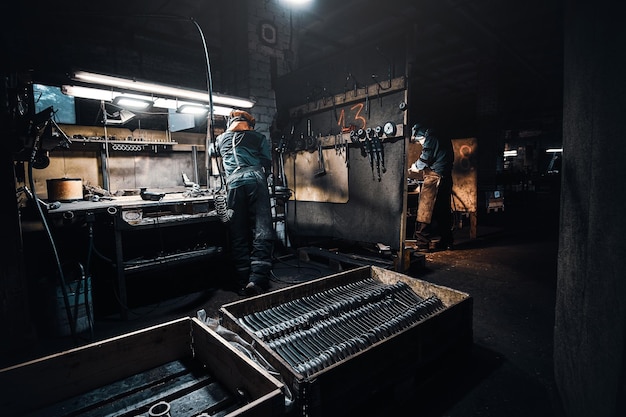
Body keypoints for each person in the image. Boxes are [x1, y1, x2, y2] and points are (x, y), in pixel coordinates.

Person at [215, 109, 273, 296]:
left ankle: (242, 279)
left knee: (238, 230)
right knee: (262, 229)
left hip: (233, 184)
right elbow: (266, 161)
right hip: (255, 180)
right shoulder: (257, 137)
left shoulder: (221, 140)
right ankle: (257, 279)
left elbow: (211, 151)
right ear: (249, 124)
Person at [408, 123, 454, 250]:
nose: (421, 144)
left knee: (425, 210)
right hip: (445, 177)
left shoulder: (431, 136)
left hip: (434, 178)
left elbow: (426, 157)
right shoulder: (442, 135)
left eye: (420, 141)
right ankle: (447, 241)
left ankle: (422, 244)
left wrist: (415, 167)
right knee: (442, 210)